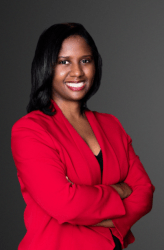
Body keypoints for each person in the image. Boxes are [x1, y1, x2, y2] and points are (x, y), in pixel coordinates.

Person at [11, 23, 155, 250]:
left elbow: (145, 193)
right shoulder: (30, 130)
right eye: (63, 61)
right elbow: (65, 204)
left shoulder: (111, 125)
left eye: (85, 60)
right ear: (45, 66)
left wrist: (86, 203)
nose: (77, 71)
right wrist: (120, 190)